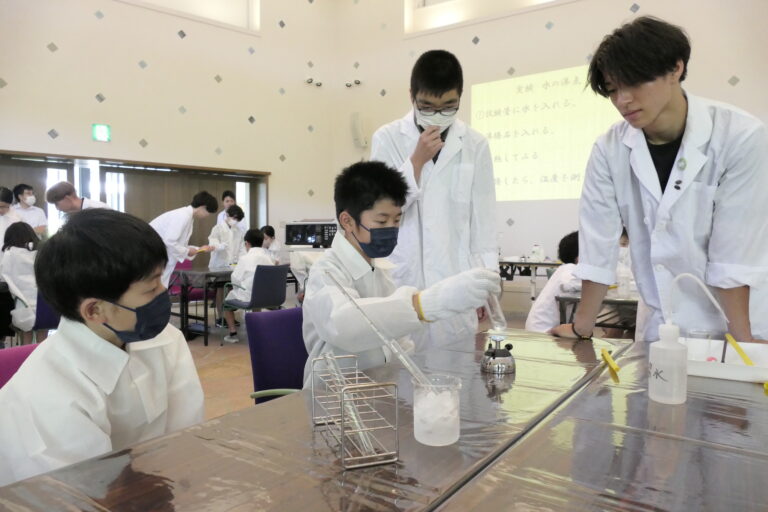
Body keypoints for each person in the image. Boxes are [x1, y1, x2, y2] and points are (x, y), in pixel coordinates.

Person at [551, 16, 768, 343]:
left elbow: (734, 251)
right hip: (661, 324)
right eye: (612, 90)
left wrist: (745, 344)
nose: (622, 101)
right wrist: (583, 326)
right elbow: (598, 243)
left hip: (737, 323)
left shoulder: (739, 136)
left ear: (675, 69)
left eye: (633, 84)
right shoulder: (609, 148)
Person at [0, 209, 204, 486]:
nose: (163, 293)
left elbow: (185, 437)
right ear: (95, 310)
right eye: (151, 287)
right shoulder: (46, 396)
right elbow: (85, 495)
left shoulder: (165, 339)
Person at [302, 161, 500, 385]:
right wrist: (424, 305)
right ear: (347, 221)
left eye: (397, 220)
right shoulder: (326, 271)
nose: (391, 228)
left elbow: (398, 339)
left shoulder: (382, 270)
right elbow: (343, 325)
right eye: (381, 220)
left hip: (381, 389)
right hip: (334, 396)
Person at [370, 49, 497, 350]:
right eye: (427, 106)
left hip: (455, 281)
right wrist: (415, 161)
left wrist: (486, 285)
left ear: (460, 98)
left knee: (454, 376)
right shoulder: (387, 138)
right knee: (401, 374)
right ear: (412, 95)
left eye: (448, 106)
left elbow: (483, 221)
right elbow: (378, 207)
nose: (438, 115)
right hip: (403, 279)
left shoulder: (475, 145)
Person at [149, 191, 217, 288]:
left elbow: (179, 245)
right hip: (153, 257)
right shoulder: (183, 216)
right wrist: (187, 251)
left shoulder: (187, 216)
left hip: (158, 257)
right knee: (154, 291)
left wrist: (199, 249)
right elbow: (170, 242)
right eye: (208, 212)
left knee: (158, 290)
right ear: (203, 207)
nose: (207, 216)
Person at [221, 229, 274, 343]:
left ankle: (233, 333)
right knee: (256, 296)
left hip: (250, 296)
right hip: (268, 297)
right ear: (262, 241)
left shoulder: (245, 259)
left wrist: (237, 289)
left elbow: (235, 278)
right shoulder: (269, 258)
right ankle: (257, 330)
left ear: (247, 243)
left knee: (227, 301)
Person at [1, 222, 48, 344]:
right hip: (43, 299)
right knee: (42, 338)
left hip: (22, 301)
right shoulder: (41, 251)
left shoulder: (10, 253)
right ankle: (42, 361)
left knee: (25, 335)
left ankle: (25, 360)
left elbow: (4, 276)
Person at [525, 232, 581, 333]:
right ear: (579, 256)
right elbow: (569, 285)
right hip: (542, 332)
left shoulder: (565, 269)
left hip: (540, 329)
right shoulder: (570, 269)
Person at [209, 205, 246, 327]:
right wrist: (219, 246)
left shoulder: (238, 231)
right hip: (219, 265)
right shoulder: (218, 228)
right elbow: (212, 243)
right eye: (234, 218)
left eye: (238, 219)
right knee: (220, 289)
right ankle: (221, 317)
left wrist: (242, 260)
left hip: (233, 266)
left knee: (230, 289)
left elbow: (242, 249)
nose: (235, 221)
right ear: (227, 215)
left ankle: (229, 317)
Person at [45, 181, 110, 213]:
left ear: (67, 198)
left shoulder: (98, 209)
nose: (57, 208)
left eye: (56, 204)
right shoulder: (74, 214)